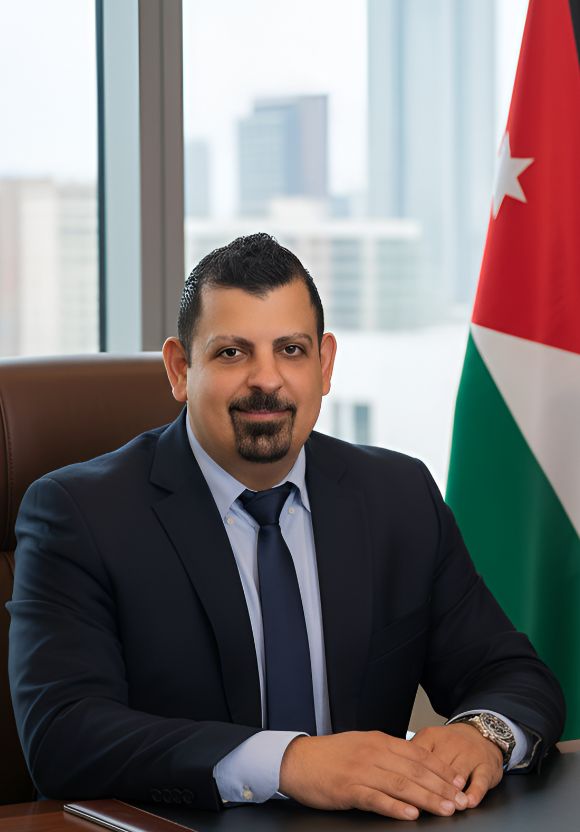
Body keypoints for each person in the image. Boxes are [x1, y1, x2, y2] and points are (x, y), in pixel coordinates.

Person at [9, 234, 564, 822]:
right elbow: (63, 736)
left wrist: (482, 734)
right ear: (180, 369)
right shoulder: (79, 513)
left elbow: (511, 673)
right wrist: (290, 762)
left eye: (291, 350)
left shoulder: (398, 495)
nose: (266, 379)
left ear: (325, 365)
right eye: (232, 353)